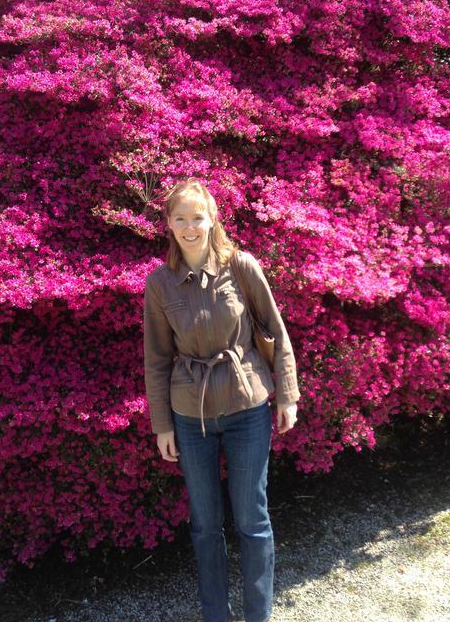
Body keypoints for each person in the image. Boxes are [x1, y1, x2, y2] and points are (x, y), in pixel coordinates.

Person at [143, 178, 300, 622]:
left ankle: (258, 615)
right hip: (189, 416)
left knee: (252, 519)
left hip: (248, 406)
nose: (190, 227)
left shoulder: (242, 266)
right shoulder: (160, 284)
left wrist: (287, 394)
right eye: (180, 218)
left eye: (198, 217)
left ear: (213, 219)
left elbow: (276, 330)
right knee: (205, 524)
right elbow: (155, 358)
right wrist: (162, 426)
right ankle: (216, 615)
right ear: (169, 225)